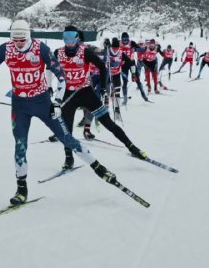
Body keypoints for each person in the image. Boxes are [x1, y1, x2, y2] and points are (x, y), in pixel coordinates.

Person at [0, 20, 119, 205]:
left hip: (42, 104)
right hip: (20, 106)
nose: (18, 43)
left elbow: (61, 76)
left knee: (66, 138)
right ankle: (21, 189)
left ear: (29, 36)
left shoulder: (41, 49)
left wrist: (56, 101)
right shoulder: (5, 49)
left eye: (22, 39)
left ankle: (99, 168)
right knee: (20, 145)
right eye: (15, 39)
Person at [51, 27, 148, 168]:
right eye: (66, 39)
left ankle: (132, 147)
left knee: (108, 122)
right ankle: (69, 157)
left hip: (86, 93)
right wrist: (48, 87)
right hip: (68, 95)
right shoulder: (58, 52)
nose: (70, 43)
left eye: (72, 39)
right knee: (67, 130)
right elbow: (49, 68)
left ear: (77, 38)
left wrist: (103, 88)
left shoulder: (85, 52)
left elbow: (103, 67)